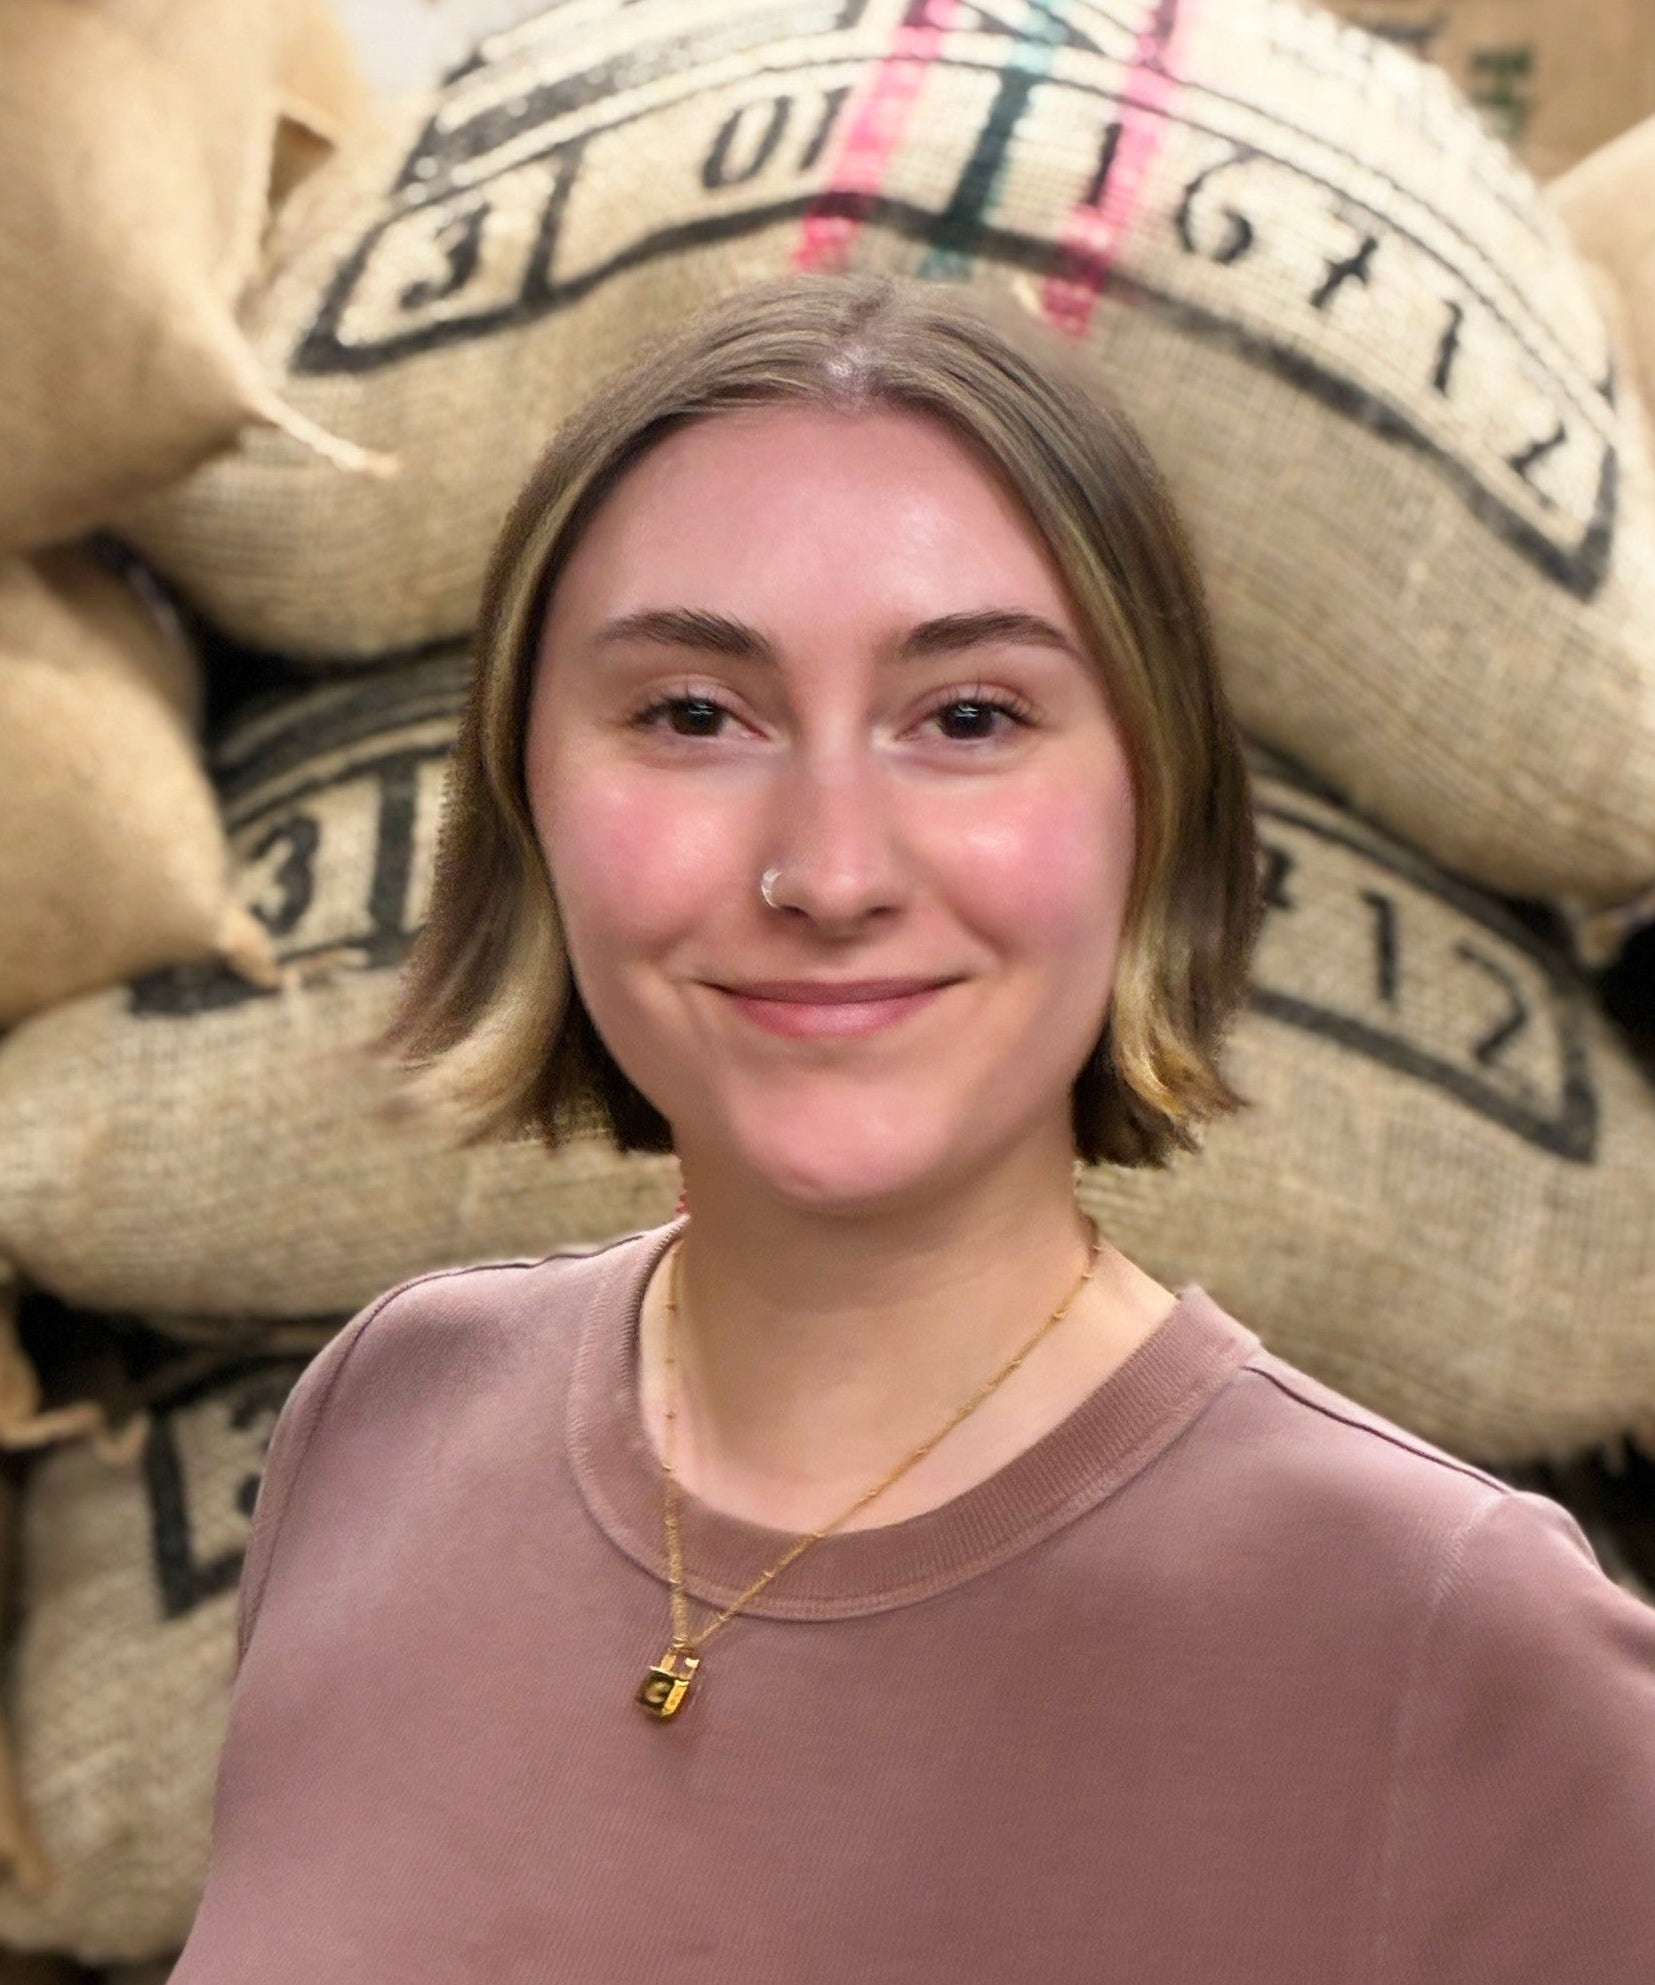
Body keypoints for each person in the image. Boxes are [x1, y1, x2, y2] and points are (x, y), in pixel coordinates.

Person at [170, 271, 1655, 1982]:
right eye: (692, 714)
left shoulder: (1461, 1647)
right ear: (526, 797)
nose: (830, 871)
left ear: (1152, 806)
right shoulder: (385, 1417)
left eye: (968, 718)